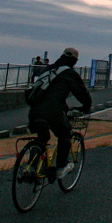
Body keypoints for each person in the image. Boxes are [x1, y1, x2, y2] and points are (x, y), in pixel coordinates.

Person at [28, 46, 92, 181]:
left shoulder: (48, 69)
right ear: (75, 60)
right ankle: (61, 167)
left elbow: (49, 92)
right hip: (53, 113)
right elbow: (82, 93)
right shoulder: (69, 73)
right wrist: (86, 106)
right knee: (65, 135)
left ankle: (31, 167)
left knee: (42, 138)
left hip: (34, 111)